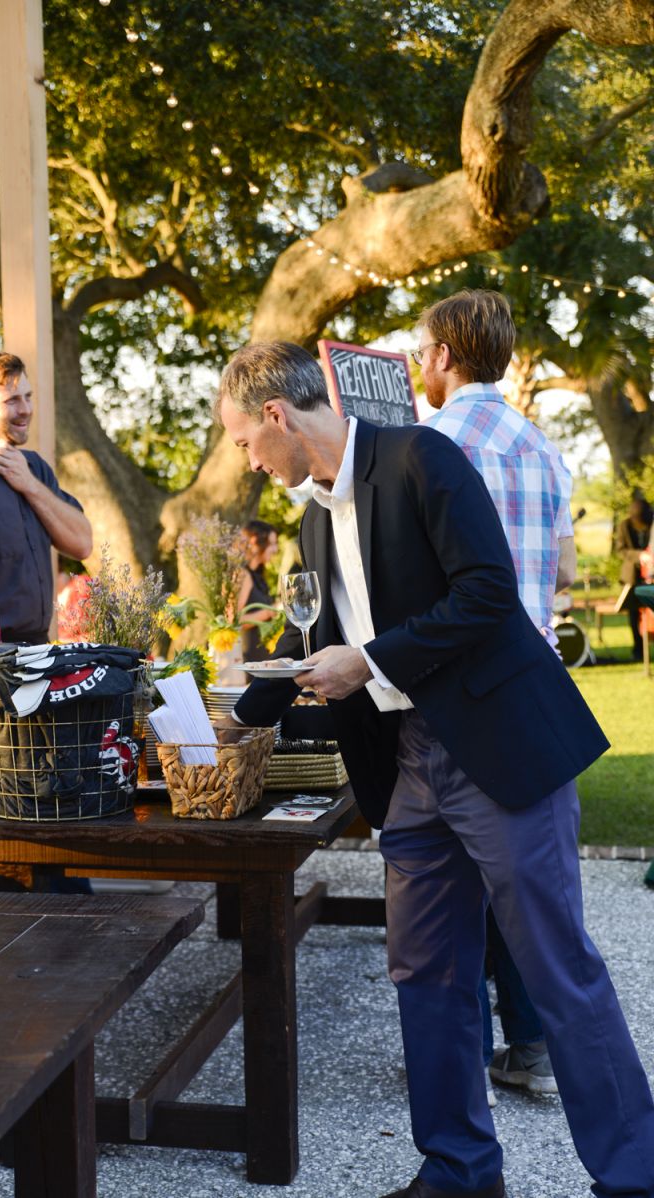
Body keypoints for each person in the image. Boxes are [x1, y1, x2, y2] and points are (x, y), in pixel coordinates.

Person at [216, 340, 654, 1198]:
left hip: (496, 749)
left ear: (275, 415)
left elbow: (488, 593)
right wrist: (231, 717)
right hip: (405, 764)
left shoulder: (422, 456)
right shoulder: (311, 517)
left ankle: (635, 1174)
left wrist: (371, 662)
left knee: (555, 963)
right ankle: (458, 1171)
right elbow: (310, 641)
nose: (248, 463)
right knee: (426, 973)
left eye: (242, 444)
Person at [419, 289, 572, 1103]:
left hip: (456, 689)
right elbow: (566, 573)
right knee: (521, 876)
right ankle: (534, 1041)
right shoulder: (545, 448)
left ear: (443, 356)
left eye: (422, 350)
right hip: (535, 684)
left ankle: (458, 1053)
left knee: (449, 881)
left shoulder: (429, 443)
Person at [0, 348, 92, 644]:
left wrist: (28, 484)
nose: (26, 409)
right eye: (12, 400)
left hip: (37, 647)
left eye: (27, 397)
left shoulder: (34, 468)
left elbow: (83, 544)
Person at [616, 497, 653, 662]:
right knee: (633, 614)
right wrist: (640, 556)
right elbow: (621, 550)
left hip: (651, 574)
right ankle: (637, 649)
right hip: (632, 575)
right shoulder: (624, 526)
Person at [238, 519, 279, 662]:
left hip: (261, 657)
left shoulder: (259, 575)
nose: (276, 549)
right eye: (272, 544)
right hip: (247, 657)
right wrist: (272, 610)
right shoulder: (242, 575)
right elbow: (235, 621)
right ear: (255, 542)